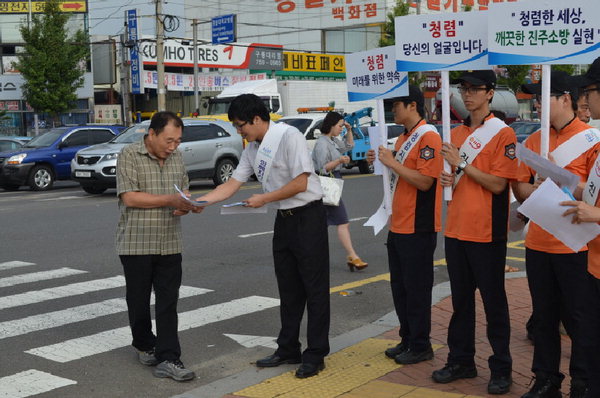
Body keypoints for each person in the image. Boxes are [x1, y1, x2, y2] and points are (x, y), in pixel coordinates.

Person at [194, 93, 330, 379]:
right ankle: (288, 348)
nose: (239, 131)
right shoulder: (252, 148)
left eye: (241, 125)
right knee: (288, 288)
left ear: (257, 119)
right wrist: (200, 203)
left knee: (314, 289)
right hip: (284, 220)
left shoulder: (288, 136)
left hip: (308, 217)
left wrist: (265, 198)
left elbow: (301, 182)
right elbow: (232, 185)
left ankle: (315, 354)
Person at [512, 71, 599, 398]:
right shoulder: (535, 139)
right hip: (537, 244)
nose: (536, 103)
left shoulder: (593, 140)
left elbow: (591, 196)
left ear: (566, 99)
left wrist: (560, 181)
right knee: (544, 318)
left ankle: (582, 380)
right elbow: (519, 184)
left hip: (576, 247)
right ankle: (546, 379)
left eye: (541, 97)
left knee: (581, 322)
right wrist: (530, 188)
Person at [433, 70, 516, 395]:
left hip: (487, 232)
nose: (467, 95)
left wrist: (462, 164)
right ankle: (461, 360)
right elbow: (458, 177)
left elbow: (498, 184)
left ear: (490, 93)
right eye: (463, 88)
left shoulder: (503, 133)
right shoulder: (455, 132)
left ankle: (502, 368)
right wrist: (450, 179)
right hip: (456, 231)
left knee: (494, 303)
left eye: (475, 89)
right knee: (460, 303)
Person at [116, 111, 201, 382]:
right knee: (138, 301)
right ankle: (143, 344)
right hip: (136, 242)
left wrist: (186, 205)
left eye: (177, 141)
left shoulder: (176, 158)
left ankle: (169, 358)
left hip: (170, 242)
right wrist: (170, 201)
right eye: (169, 140)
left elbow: (183, 191)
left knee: (168, 302)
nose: (173, 146)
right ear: (151, 134)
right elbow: (129, 198)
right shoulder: (130, 155)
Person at [376, 85, 442, 365]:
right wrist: (384, 161)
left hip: (419, 226)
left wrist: (393, 163)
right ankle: (407, 339)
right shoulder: (404, 138)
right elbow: (400, 174)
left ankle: (421, 344)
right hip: (399, 224)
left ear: (413, 105)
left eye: (397, 105)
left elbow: (425, 181)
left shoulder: (428, 137)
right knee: (400, 289)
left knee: (416, 290)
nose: (393, 109)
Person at [561, 57, 600, 398]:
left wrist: (597, 215)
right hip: (594, 265)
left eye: (588, 91)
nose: (584, 100)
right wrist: (573, 189)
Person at [311, 111, 368, 271]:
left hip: (332, 182)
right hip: (326, 182)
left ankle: (348, 256)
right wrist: (339, 160)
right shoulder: (322, 143)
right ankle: (353, 256)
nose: (341, 129)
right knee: (342, 221)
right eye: (340, 126)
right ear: (331, 125)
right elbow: (322, 168)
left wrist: (349, 130)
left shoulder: (332, 140)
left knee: (323, 223)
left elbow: (349, 146)